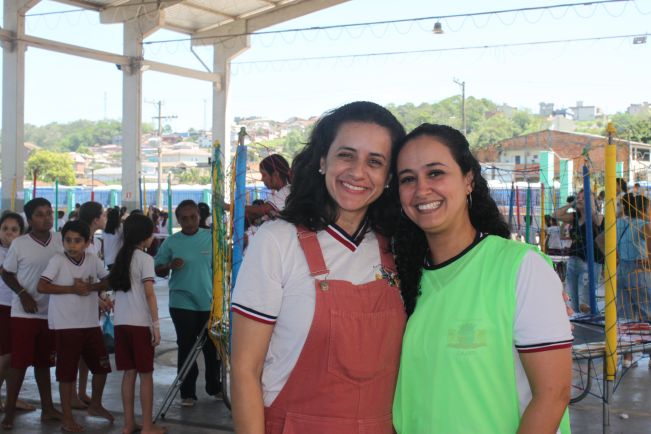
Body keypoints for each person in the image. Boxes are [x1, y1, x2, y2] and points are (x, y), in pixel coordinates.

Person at [231, 101, 406, 433]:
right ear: (323, 160)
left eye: (375, 161)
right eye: (346, 155)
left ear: (389, 177)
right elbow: (244, 371)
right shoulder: (277, 241)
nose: (357, 172)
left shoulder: (400, 248)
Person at [391, 124, 572, 433]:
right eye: (408, 179)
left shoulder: (520, 268)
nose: (421, 189)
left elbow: (553, 395)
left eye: (435, 173)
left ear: (468, 180)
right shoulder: (404, 277)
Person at [37, 220, 113, 432]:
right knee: (66, 373)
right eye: (68, 240)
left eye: (77, 241)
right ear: (62, 241)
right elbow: (42, 286)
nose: (72, 245)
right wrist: (72, 289)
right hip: (65, 325)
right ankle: (67, 418)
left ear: (87, 243)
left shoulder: (92, 260)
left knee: (102, 367)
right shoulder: (58, 260)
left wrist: (91, 287)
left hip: (90, 323)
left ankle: (95, 404)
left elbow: (109, 281)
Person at [1, 198, 63, 430]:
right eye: (40, 214)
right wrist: (23, 294)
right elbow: (6, 273)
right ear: (29, 219)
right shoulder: (20, 244)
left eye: (49, 213)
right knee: (18, 364)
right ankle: (8, 412)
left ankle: (48, 408)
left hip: (51, 313)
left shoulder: (60, 240)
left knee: (44, 363)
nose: (46, 218)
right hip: (24, 314)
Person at [154, 200, 219, 407]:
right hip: (181, 302)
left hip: (209, 302)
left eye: (193, 217)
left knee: (212, 347)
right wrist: (169, 265)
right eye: (184, 218)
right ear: (178, 220)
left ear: (199, 216)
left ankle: (215, 387)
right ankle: (187, 392)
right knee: (186, 346)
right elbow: (157, 269)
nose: (189, 222)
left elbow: (221, 267)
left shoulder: (212, 238)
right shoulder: (171, 242)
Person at [108, 214, 166, 434]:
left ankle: (128, 423)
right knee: (146, 375)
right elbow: (150, 294)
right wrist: (156, 326)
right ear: (145, 237)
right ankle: (148, 426)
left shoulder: (120, 257)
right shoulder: (145, 259)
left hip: (120, 324)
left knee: (128, 373)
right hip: (140, 325)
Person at [597, 193, 651, 368]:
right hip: (638, 272)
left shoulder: (618, 223)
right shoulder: (643, 224)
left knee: (625, 317)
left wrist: (615, 257)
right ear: (643, 209)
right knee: (647, 314)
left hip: (620, 272)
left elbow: (599, 240)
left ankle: (627, 357)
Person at [0, 212, 36, 413]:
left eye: (14, 230)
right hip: (3, 306)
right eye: (5, 229)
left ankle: (11, 398)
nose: (8, 233)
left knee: (15, 357)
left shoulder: (23, 251)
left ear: (21, 233)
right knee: (6, 356)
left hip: (19, 309)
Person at [555, 189, 604, 313]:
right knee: (572, 303)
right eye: (579, 197)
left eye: (584, 197)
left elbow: (598, 222)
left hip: (591, 262)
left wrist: (590, 203)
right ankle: (577, 324)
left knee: (585, 304)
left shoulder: (597, 217)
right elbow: (555, 215)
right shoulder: (574, 217)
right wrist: (572, 204)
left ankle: (591, 322)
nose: (580, 199)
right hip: (573, 261)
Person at [244, 154, 292, 225]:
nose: (262, 179)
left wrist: (232, 207)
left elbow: (262, 210)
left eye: (264, 175)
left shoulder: (287, 191)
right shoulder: (278, 194)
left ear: (276, 175)